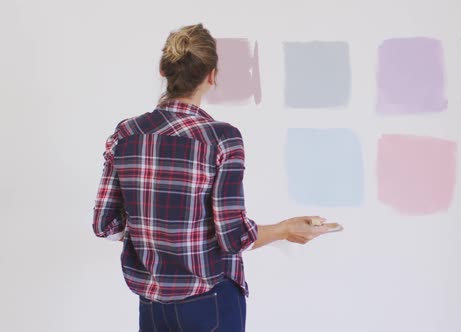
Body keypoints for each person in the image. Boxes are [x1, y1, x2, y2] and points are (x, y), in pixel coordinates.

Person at [92, 23, 336, 332]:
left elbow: (105, 225)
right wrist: (286, 229)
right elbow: (232, 237)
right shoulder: (221, 139)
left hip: (152, 307)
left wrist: (152, 224)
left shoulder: (126, 134)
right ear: (211, 76)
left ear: (162, 71)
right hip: (211, 303)